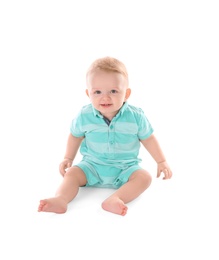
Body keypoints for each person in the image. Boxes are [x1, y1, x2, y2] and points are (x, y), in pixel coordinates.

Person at [38, 56, 172, 216]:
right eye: (97, 92)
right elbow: (75, 136)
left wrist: (161, 161)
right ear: (89, 93)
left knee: (144, 178)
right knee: (72, 174)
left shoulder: (136, 117)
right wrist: (68, 158)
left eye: (114, 91)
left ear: (126, 93)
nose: (105, 97)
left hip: (126, 168)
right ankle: (61, 199)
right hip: (92, 166)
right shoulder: (84, 115)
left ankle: (116, 198)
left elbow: (148, 138)